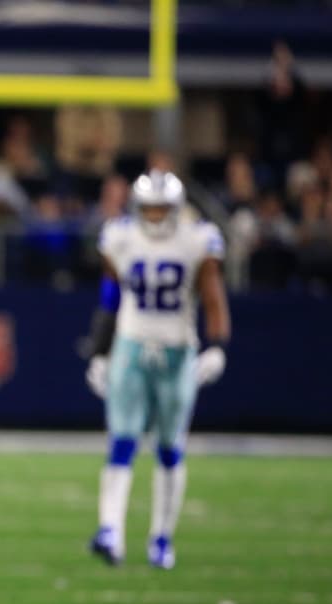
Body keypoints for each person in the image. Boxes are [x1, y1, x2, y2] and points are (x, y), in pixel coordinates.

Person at [83, 170, 231, 569]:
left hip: (178, 351)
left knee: (169, 447)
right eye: (147, 208)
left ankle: (161, 539)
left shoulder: (197, 239)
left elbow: (212, 294)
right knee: (122, 440)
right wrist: (100, 351)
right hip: (131, 347)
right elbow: (110, 297)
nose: (153, 216)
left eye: (161, 209)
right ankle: (110, 531)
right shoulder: (121, 237)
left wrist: (216, 345)